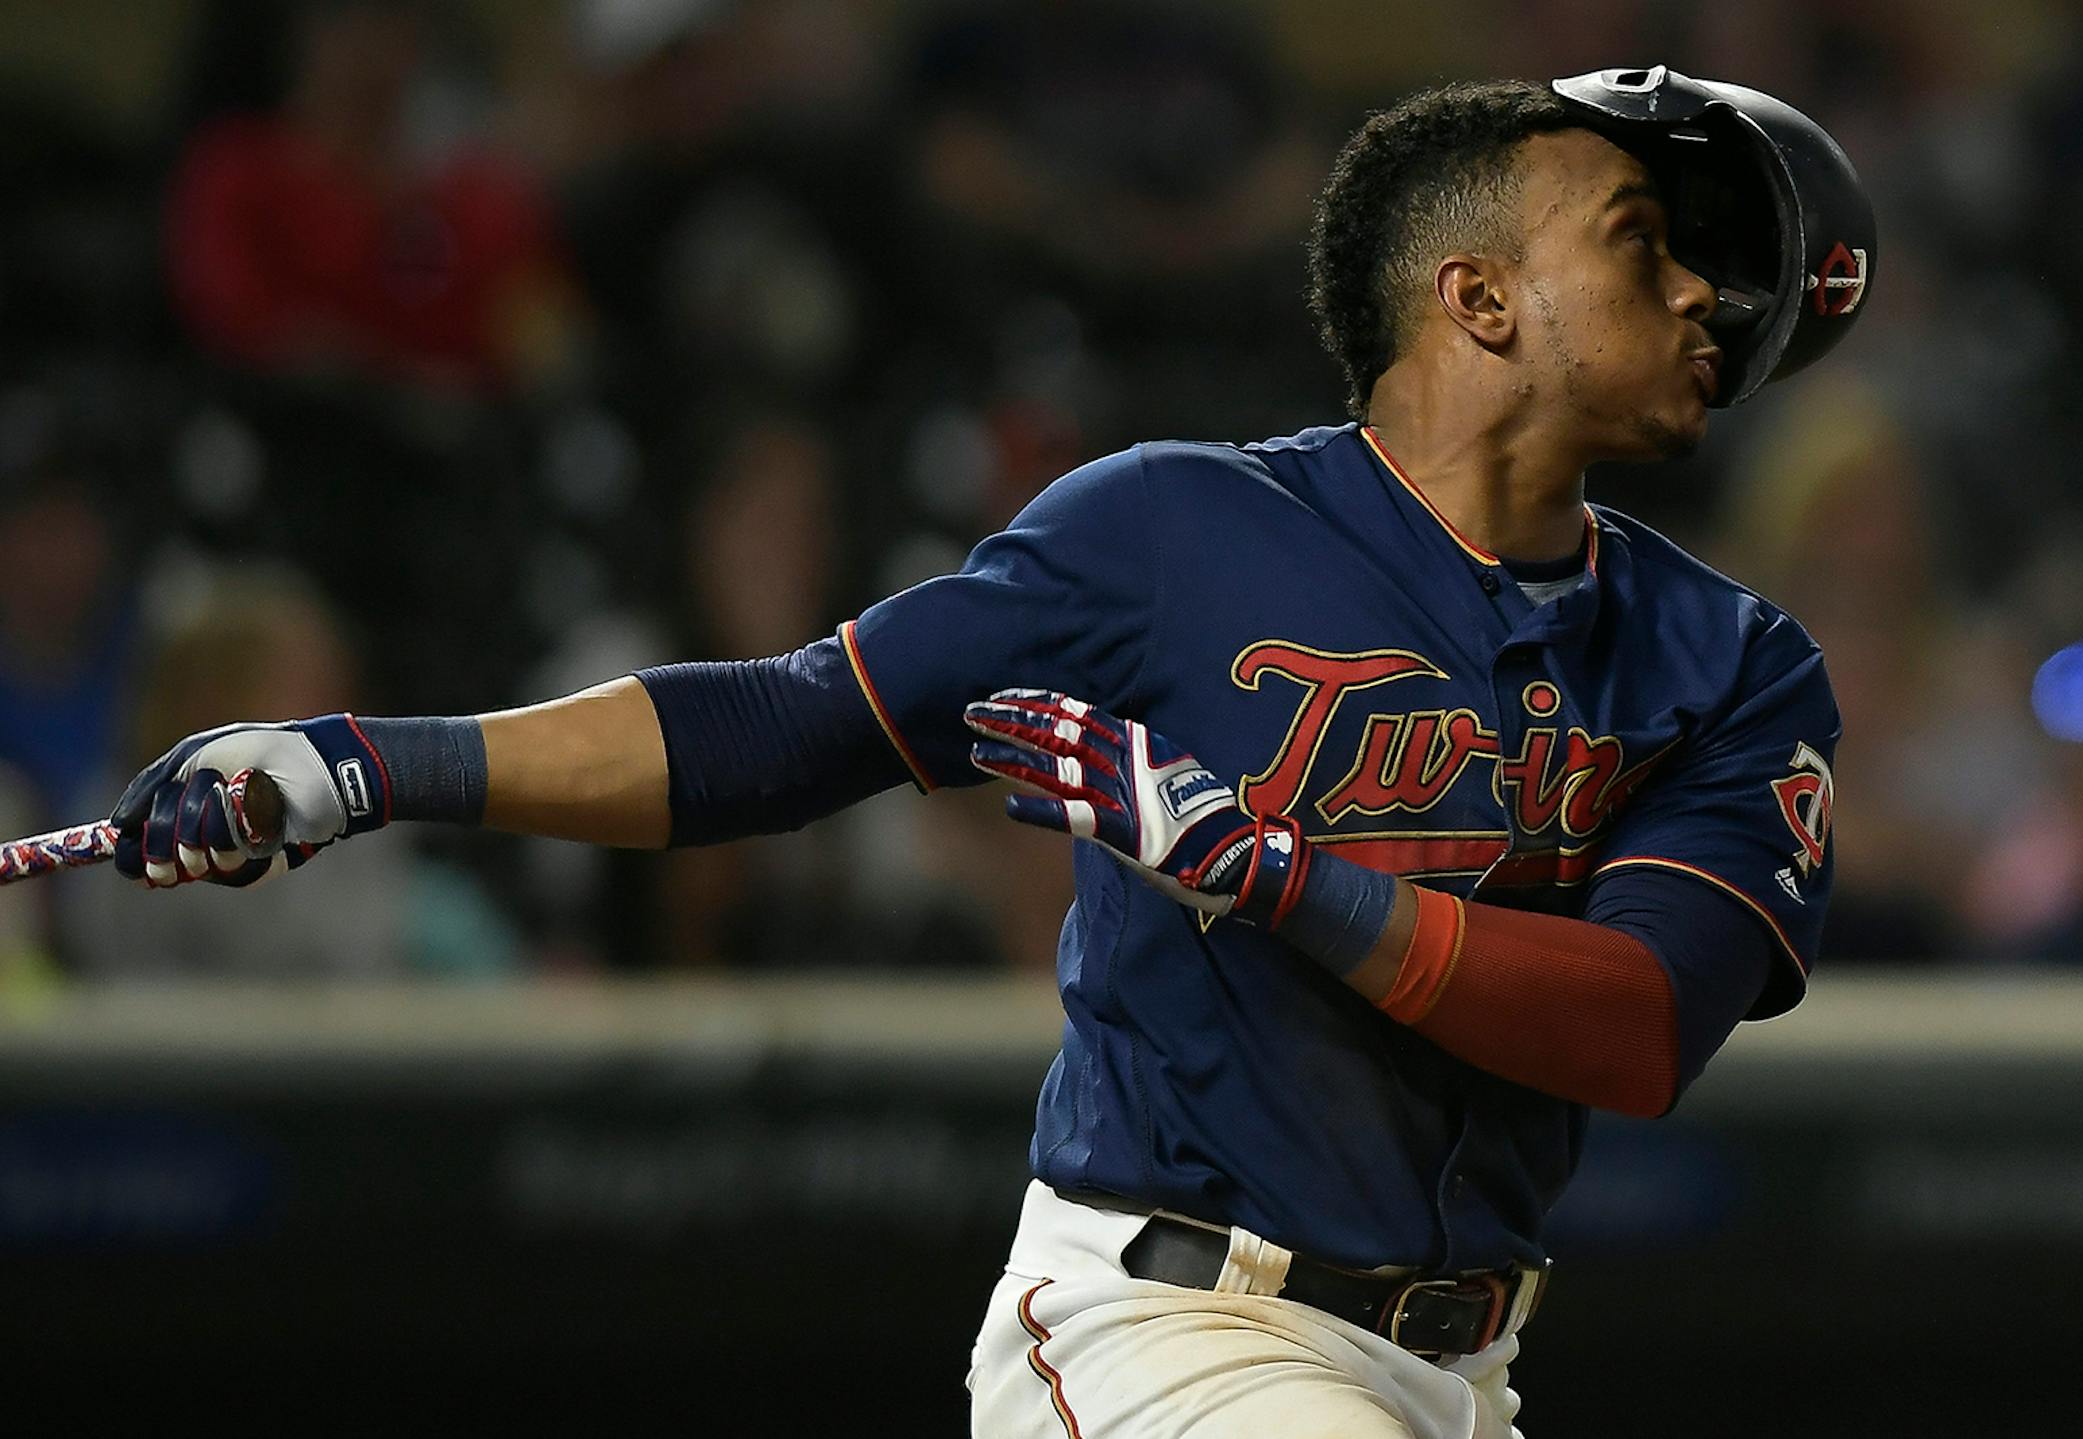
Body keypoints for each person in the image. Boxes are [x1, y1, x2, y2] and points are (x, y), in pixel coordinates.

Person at [107, 68, 1872, 1439]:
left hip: (1460, 1363)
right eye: (1645, 236)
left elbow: (1635, 1029)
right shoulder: (1173, 533)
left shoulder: (1730, 660)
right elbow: (786, 728)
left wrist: (1275, 879)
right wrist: (361, 759)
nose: (1711, 289)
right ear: (1478, 296)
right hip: (1178, 1324)